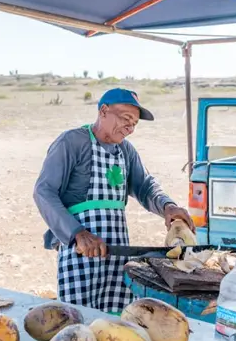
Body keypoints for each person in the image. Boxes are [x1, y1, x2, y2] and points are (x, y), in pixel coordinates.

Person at [34, 88, 195, 313]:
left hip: (117, 248)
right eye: (126, 119)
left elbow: (145, 186)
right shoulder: (72, 142)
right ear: (103, 111)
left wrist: (167, 206)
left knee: (117, 315)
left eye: (135, 124)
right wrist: (77, 234)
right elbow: (44, 191)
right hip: (80, 249)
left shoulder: (126, 150)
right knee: (79, 316)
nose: (130, 128)